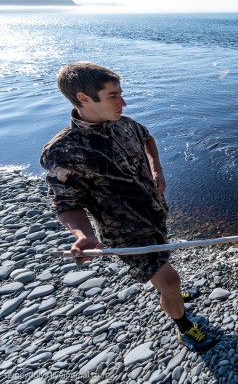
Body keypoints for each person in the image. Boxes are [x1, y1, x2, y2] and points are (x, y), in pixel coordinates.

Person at [40, 62, 216, 352]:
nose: (123, 102)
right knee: (171, 280)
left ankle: (170, 295)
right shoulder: (63, 151)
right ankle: (183, 326)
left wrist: (156, 169)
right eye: (113, 96)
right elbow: (65, 204)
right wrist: (82, 235)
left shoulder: (123, 123)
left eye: (120, 94)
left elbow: (147, 137)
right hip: (125, 234)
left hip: (156, 215)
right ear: (84, 98)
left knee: (164, 264)